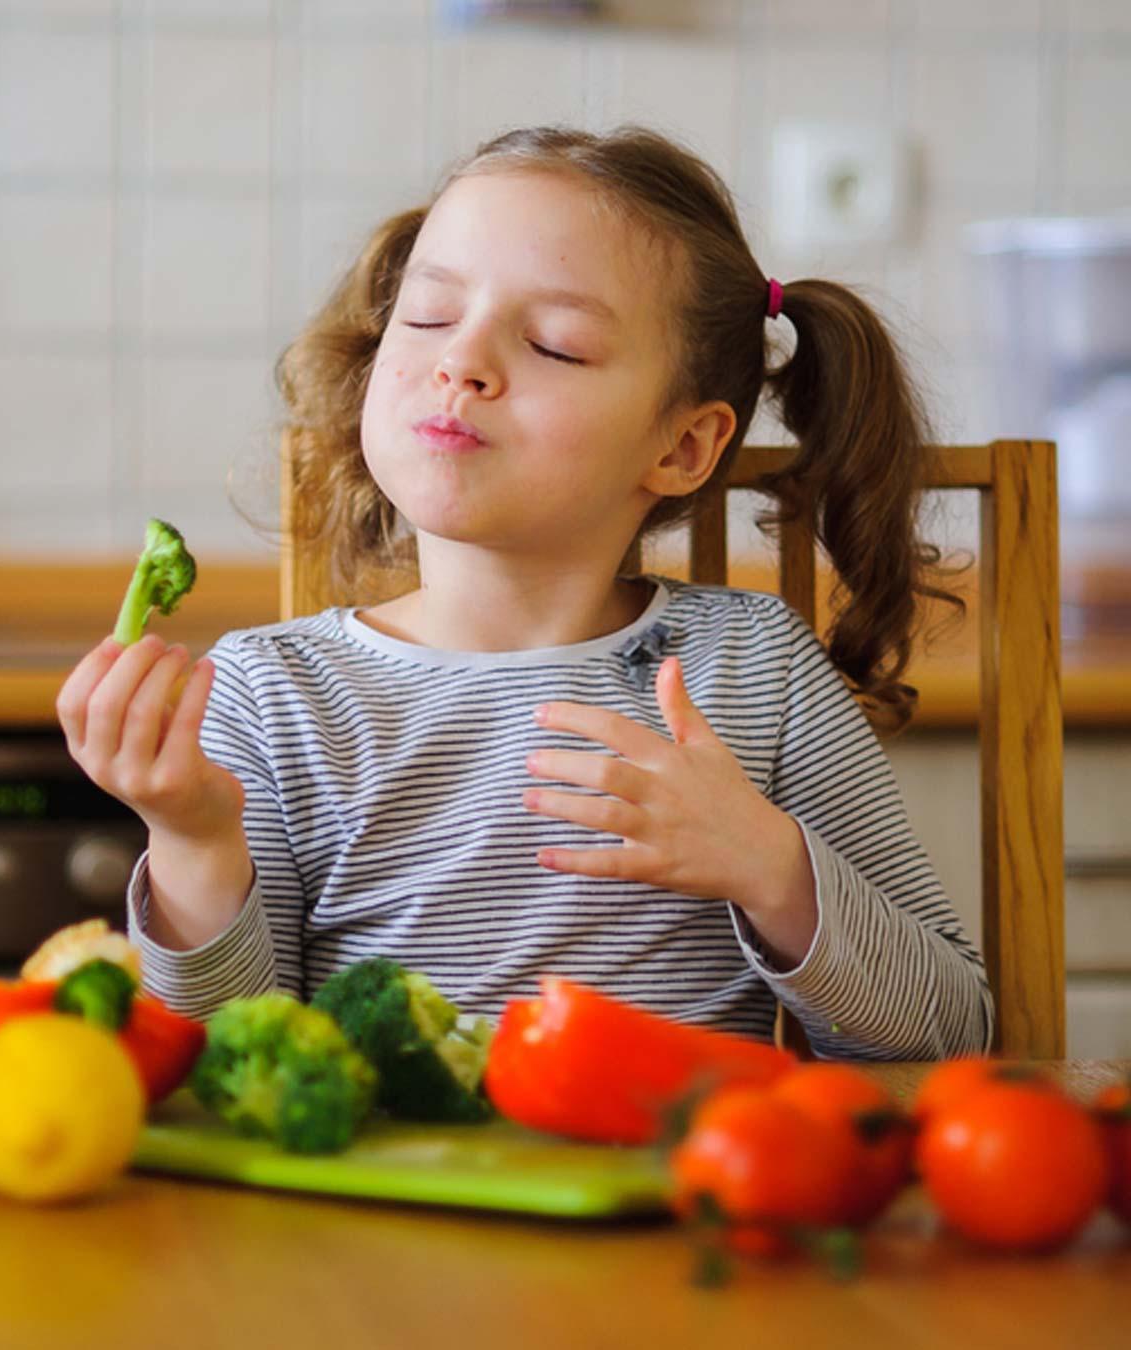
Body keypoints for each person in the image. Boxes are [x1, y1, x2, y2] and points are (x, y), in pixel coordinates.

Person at [57, 124, 992, 1060]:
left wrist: (774, 869)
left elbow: (952, 1035)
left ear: (681, 447)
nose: (459, 361)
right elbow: (228, 1062)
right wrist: (193, 842)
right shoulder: (269, 696)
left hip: (677, 1195)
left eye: (556, 345)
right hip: (376, 1207)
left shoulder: (754, 670)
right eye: (426, 317)